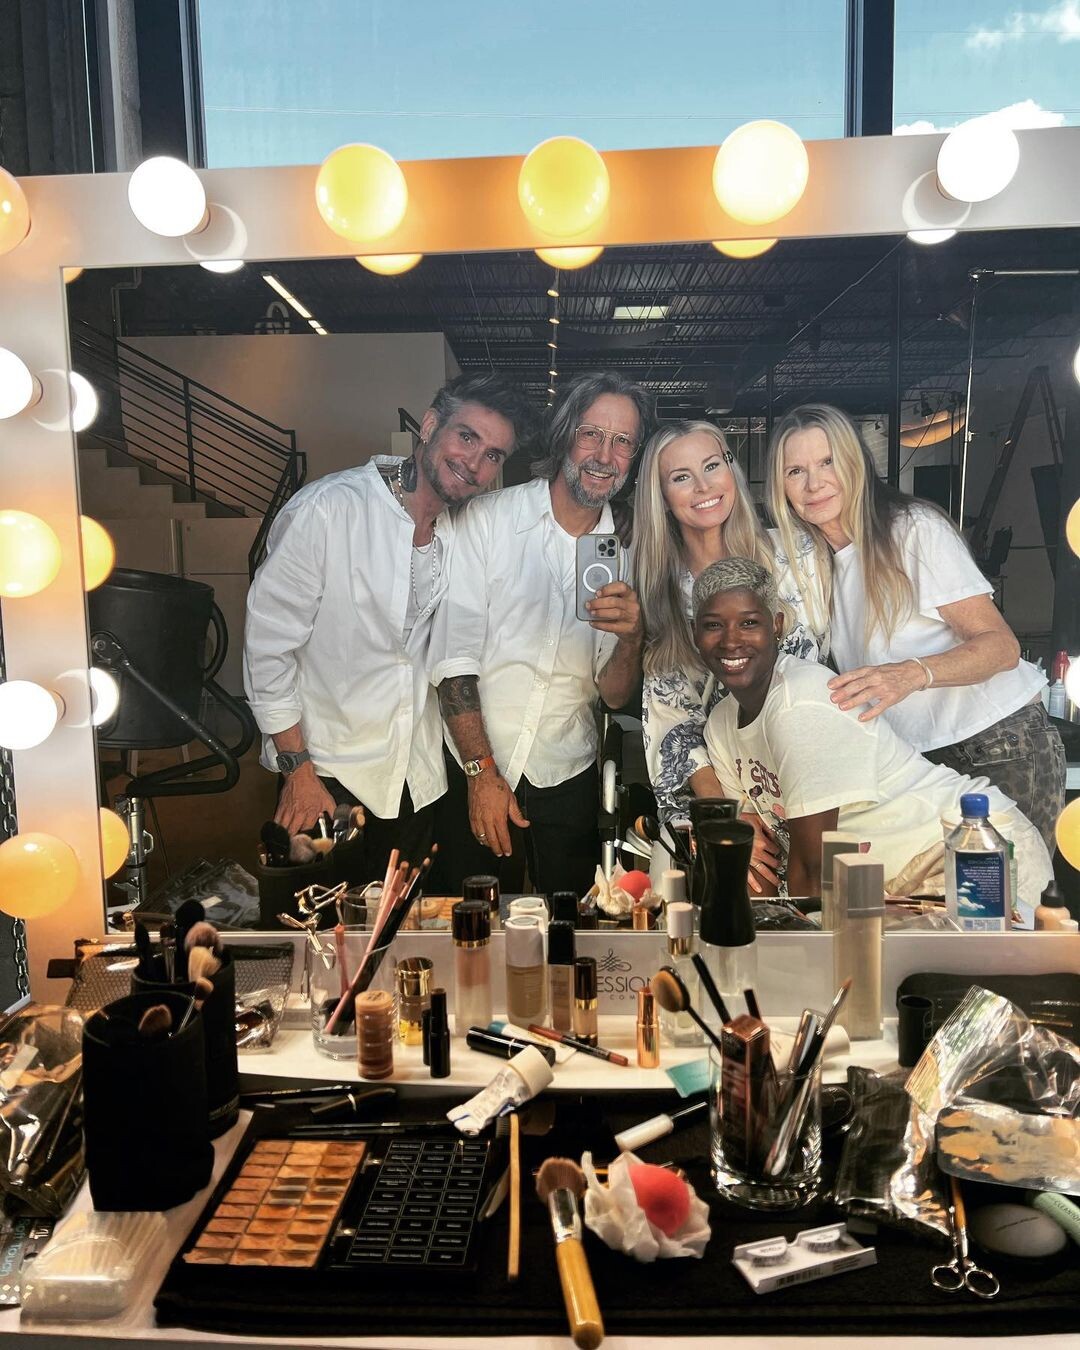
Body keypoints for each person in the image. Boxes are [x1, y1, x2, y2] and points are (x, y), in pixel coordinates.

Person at [243, 372, 535, 881]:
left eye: (493, 455)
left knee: (405, 923)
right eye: (467, 437)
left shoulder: (462, 530)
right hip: (327, 777)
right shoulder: (328, 509)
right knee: (323, 923)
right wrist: (297, 770)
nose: (474, 463)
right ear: (430, 426)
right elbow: (267, 649)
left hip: (416, 781)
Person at [767, 403, 1064, 852]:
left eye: (828, 462)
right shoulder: (817, 566)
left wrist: (911, 673)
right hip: (920, 763)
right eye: (795, 471)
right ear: (781, 486)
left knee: (1004, 893)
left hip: (996, 744)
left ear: (856, 462)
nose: (814, 483)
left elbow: (1001, 647)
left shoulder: (912, 529)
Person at [694, 557, 1053, 903]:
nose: (730, 641)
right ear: (695, 631)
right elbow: (758, 865)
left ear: (776, 625)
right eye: (713, 625)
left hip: (964, 849)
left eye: (749, 623)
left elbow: (815, 868)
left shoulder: (799, 703)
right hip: (887, 887)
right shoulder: (721, 727)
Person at [431, 371, 652, 897]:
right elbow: (453, 659)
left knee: (569, 922)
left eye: (623, 442)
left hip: (568, 772)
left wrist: (631, 638)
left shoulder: (630, 550)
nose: (604, 455)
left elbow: (613, 694)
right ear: (564, 434)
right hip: (473, 764)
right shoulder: (484, 520)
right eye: (591, 434)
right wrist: (481, 774)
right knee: (473, 918)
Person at [632, 419, 827, 890]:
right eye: (681, 477)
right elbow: (674, 724)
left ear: (730, 468)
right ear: (661, 496)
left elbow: (829, 668)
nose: (704, 487)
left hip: (809, 780)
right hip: (717, 793)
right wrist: (729, 815)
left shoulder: (795, 554)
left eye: (712, 466)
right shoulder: (659, 592)